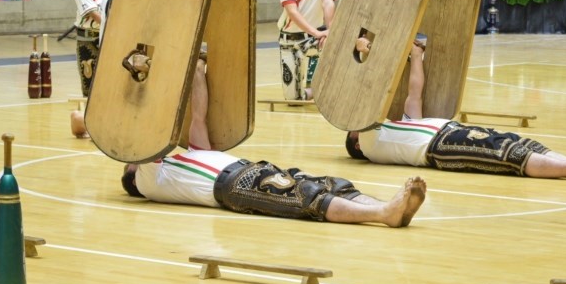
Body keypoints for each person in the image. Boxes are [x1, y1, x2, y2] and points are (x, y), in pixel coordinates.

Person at [112, 57, 427, 228]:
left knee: (331, 184)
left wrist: (196, 68)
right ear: (133, 174)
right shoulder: (149, 180)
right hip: (232, 186)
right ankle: (384, 213)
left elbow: (198, 118)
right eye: (132, 162)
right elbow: (145, 136)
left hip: (250, 170)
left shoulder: (187, 160)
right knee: (308, 199)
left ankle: (389, 207)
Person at [345, 39, 566, 182]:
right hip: (439, 146)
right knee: (506, 155)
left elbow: (415, 93)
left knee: (515, 141)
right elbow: (367, 94)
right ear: (356, 145)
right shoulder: (369, 145)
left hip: (451, 130)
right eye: (352, 131)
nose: (355, 126)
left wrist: (416, 56)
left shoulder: (396, 127)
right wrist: (366, 54)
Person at [277, 0, 336, 101]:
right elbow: (292, 12)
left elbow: (328, 2)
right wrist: (317, 33)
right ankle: (315, 92)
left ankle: (327, 85)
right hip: (289, 39)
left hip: (315, 37)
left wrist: (329, 29)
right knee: (294, 99)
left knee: (334, 44)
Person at [72, 0, 114, 97]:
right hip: (89, 39)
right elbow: (95, 15)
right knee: (90, 86)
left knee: (111, 83)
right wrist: (117, 26)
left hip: (111, 38)